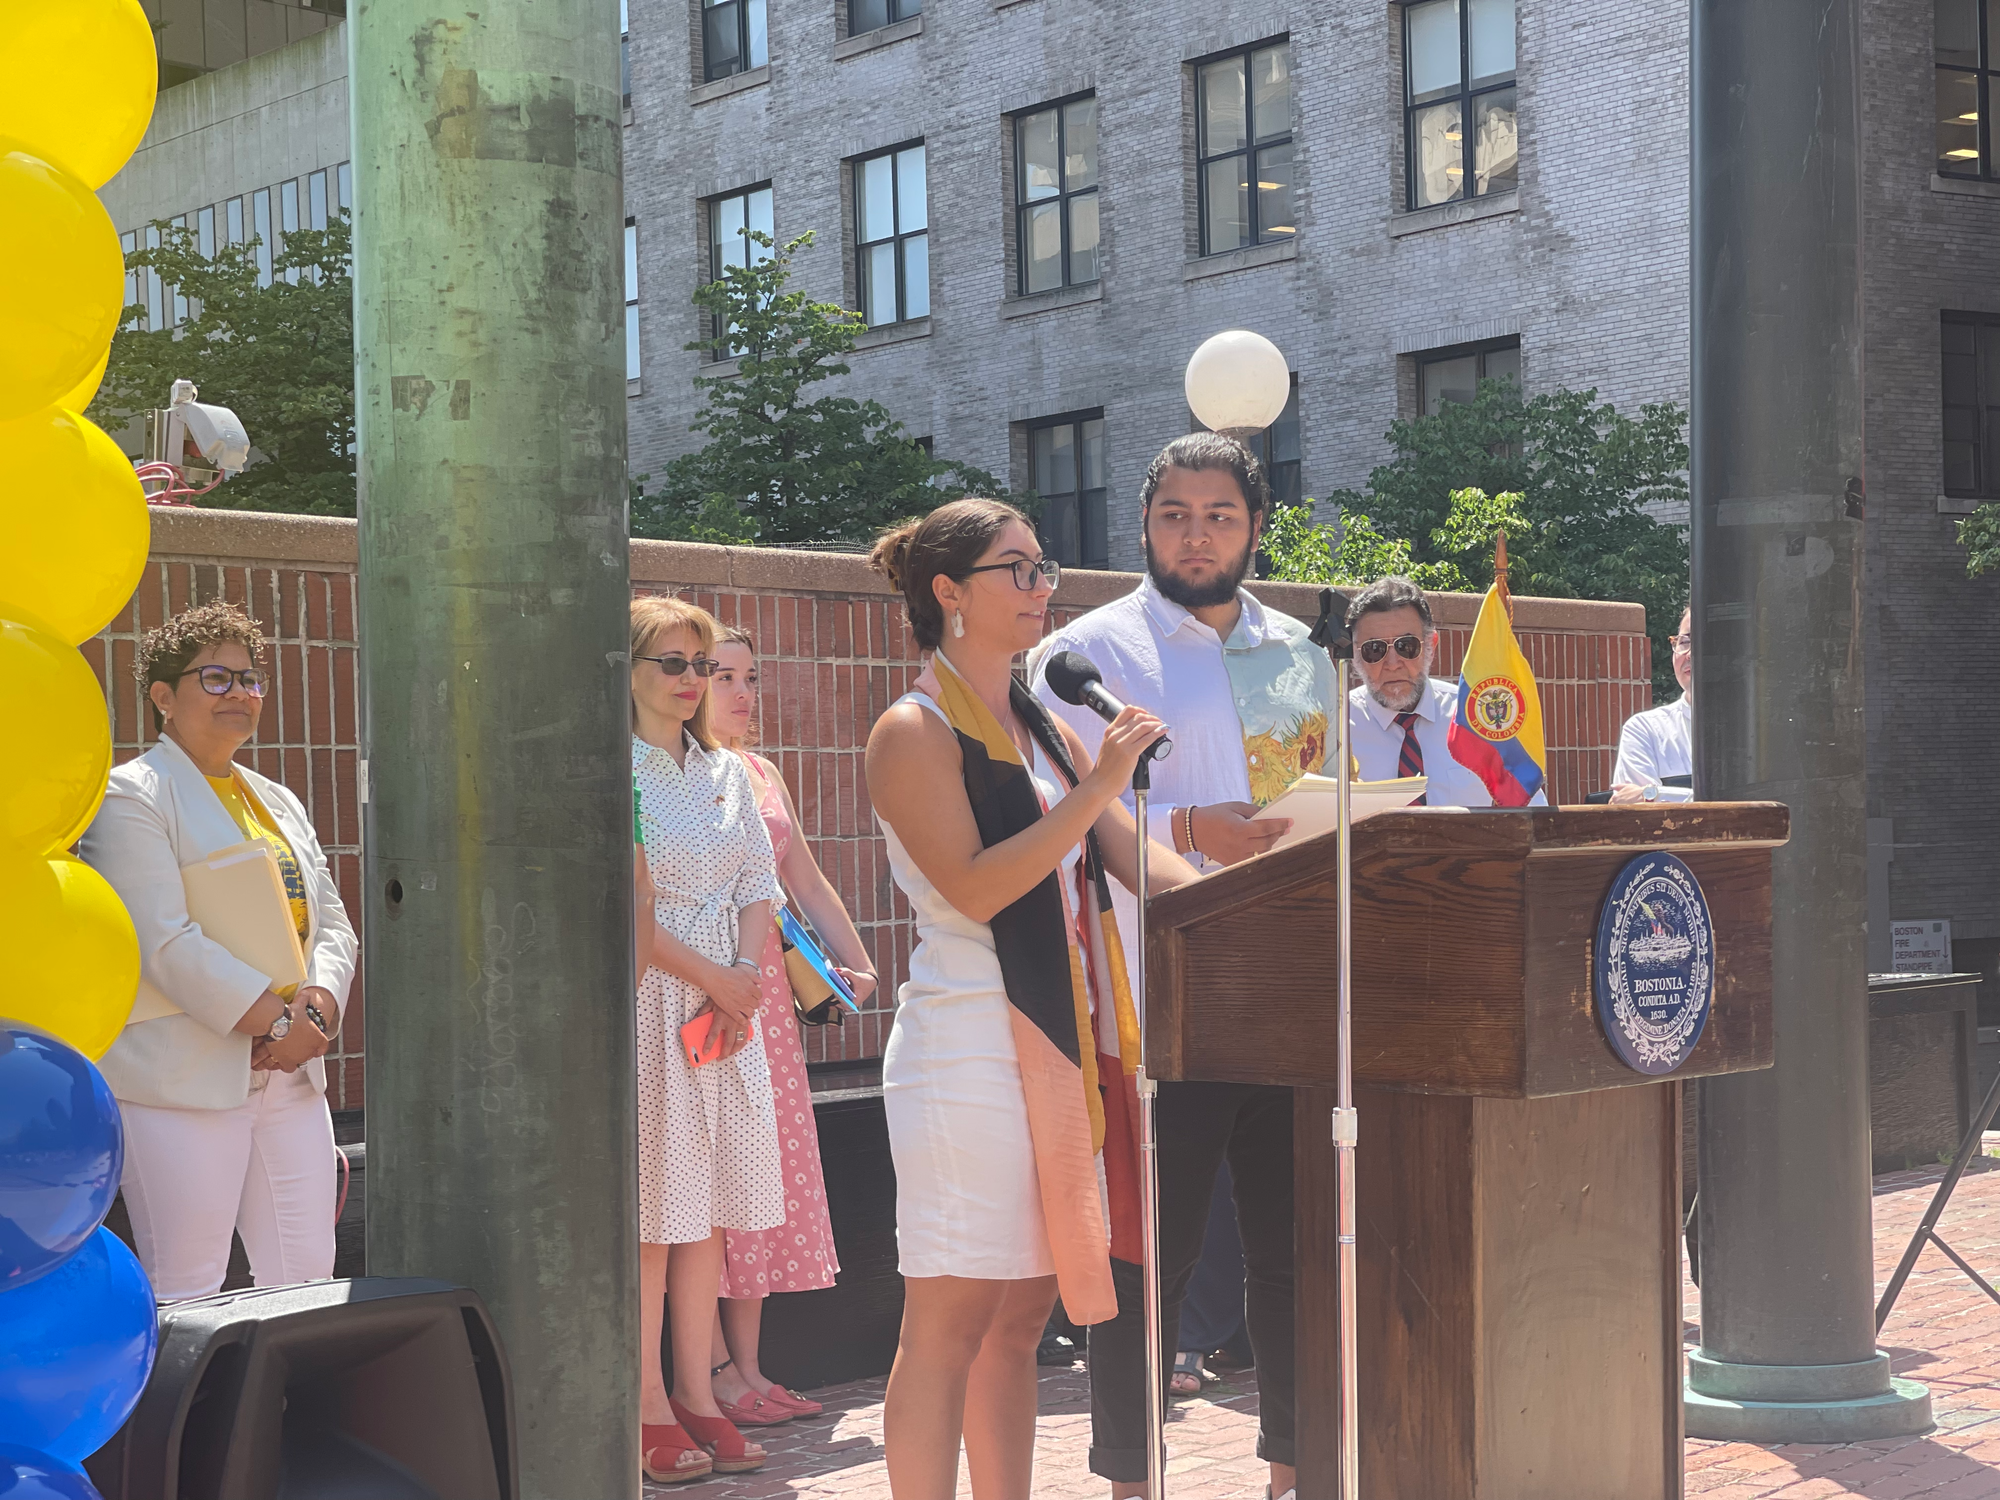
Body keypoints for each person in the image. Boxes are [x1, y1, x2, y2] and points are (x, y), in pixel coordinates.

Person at [865, 498, 1196, 1500]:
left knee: (1017, 1322)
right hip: (968, 1050)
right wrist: (1099, 786)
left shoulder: (1043, 725)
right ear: (948, 592)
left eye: (1043, 567)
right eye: (1016, 569)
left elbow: (1129, 858)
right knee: (950, 1323)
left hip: (1055, 1044)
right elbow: (976, 887)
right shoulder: (911, 729)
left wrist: (1261, 896)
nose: (1040, 587)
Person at [1033, 432, 1329, 1500]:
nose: (1195, 536)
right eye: (1174, 515)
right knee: (1149, 1257)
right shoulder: (1086, 654)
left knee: (1295, 1253)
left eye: (1218, 516)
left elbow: (1317, 792)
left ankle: (1295, 1470)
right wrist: (1192, 827)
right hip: (1154, 997)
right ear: (1144, 524)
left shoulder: (1299, 653)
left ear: (1256, 526)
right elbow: (1058, 818)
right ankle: (1132, 1480)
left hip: (1290, 989)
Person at [79, 602, 355, 1302]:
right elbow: (161, 938)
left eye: (250, 679)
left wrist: (317, 1010)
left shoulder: (277, 801)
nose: (239, 692)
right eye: (215, 677)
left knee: (307, 1280)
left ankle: (284, 1385)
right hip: (183, 1078)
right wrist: (278, 1022)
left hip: (290, 1076)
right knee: (187, 1286)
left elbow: (331, 922)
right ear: (163, 697)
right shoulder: (130, 796)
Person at [704, 624, 879, 1425]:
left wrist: (855, 962)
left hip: (770, 1006)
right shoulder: (671, 773)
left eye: (751, 677)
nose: (743, 693)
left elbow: (803, 878)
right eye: (723, 676)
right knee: (707, 1185)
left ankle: (748, 1367)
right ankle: (712, 1371)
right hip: (710, 997)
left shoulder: (762, 772)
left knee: (756, 1179)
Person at [629, 596, 784, 1484]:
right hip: (658, 1002)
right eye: (672, 662)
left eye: (701, 664)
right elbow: (629, 908)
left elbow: (760, 885)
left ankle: (697, 1391)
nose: (691, 680)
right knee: (657, 1214)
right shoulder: (617, 770)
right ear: (629, 671)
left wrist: (744, 978)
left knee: (709, 1212)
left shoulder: (726, 770)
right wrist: (717, 980)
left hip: (727, 1009)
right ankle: (645, 1402)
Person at [1345, 575, 1547, 807]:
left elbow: (1532, 813)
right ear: (1354, 655)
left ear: (1431, 645)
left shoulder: (1476, 716)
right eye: (1374, 649)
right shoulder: (1336, 729)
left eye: (1406, 646)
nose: (1392, 663)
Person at [1610, 607, 1693, 801]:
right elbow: (1639, 813)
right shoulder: (1646, 729)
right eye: (1684, 642)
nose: (1689, 654)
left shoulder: (1761, 730)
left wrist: (1654, 794)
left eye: (1705, 641)